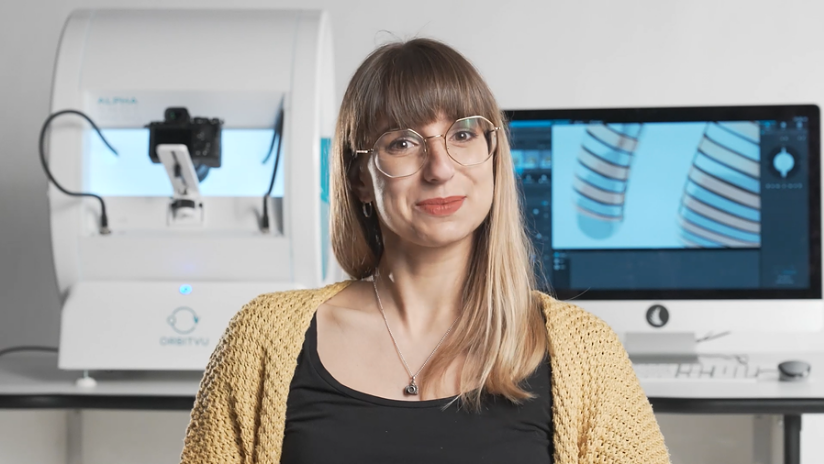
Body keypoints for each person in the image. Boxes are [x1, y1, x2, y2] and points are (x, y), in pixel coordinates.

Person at [179, 38, 670, 464]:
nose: (439, 168)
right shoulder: (263, 339)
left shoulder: (585, 352)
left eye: (462, 134)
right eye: (403, 142)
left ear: (493, 157)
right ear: (360, 178)